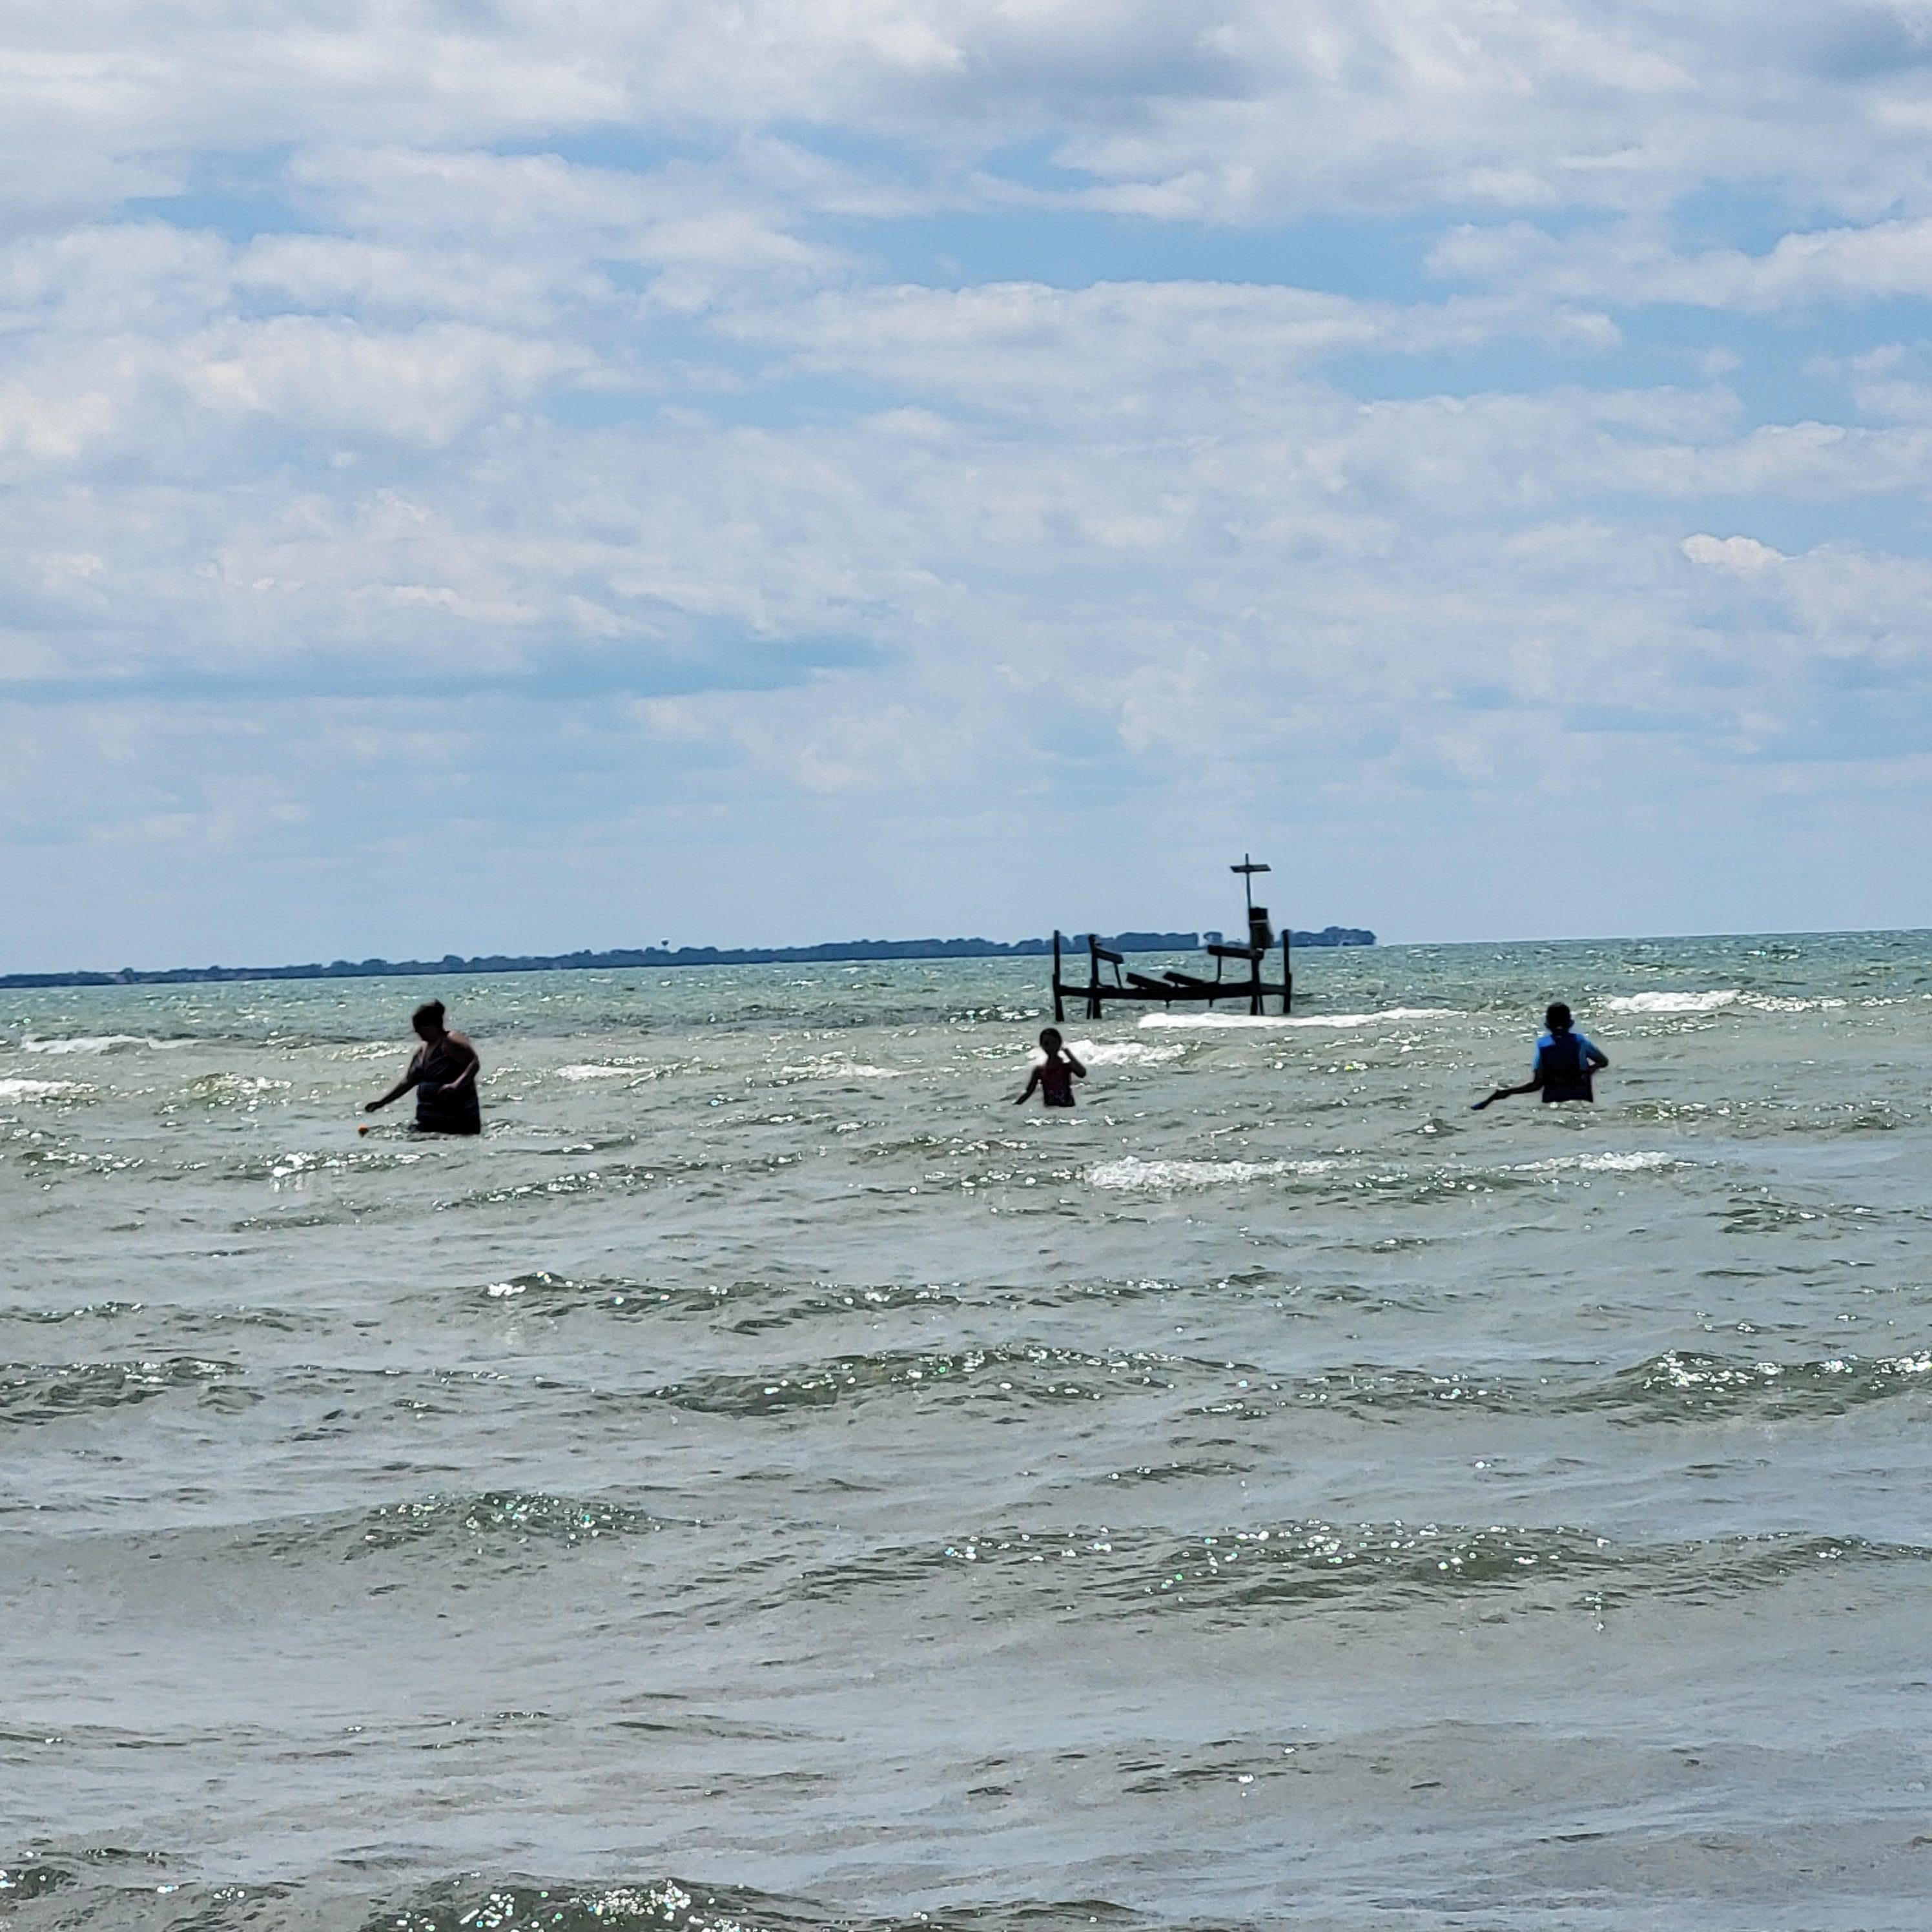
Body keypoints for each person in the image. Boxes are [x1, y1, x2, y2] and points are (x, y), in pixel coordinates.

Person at [365, 1000, 482, 1135]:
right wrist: (381, 1103)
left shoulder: (450, 1041)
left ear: (432, 1026)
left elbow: (474, 1063)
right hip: (428, 1123)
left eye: (419, 1028)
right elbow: (409, 1081)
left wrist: (456, 1085)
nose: (417, 1033)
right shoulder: (422, 1050)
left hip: (458, 1122)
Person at [1473, 1002, 1608, 1110]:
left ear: (1547, 1025)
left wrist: (1509, 1091)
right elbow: (1603, 1062)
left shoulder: (1543, 1046)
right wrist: (1590, 1071)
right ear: (1570, 1023)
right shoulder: (1581, 1042)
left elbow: (1537, 1085)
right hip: (1581, 1101)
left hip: (1552, 1103)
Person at [1016, 1027, 1086, 1107]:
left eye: (1054, 1043)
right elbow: (1029, 1091)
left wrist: (1069, 1054)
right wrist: (1015, 1105)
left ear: (1060, 1043)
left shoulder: (1066, 1066)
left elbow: (1082, 1073)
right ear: (1042, 1046)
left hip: (1068, 1108)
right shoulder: (1040, 1070)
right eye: (1046, 1044)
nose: (1051, 1047)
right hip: (1050, 1110)